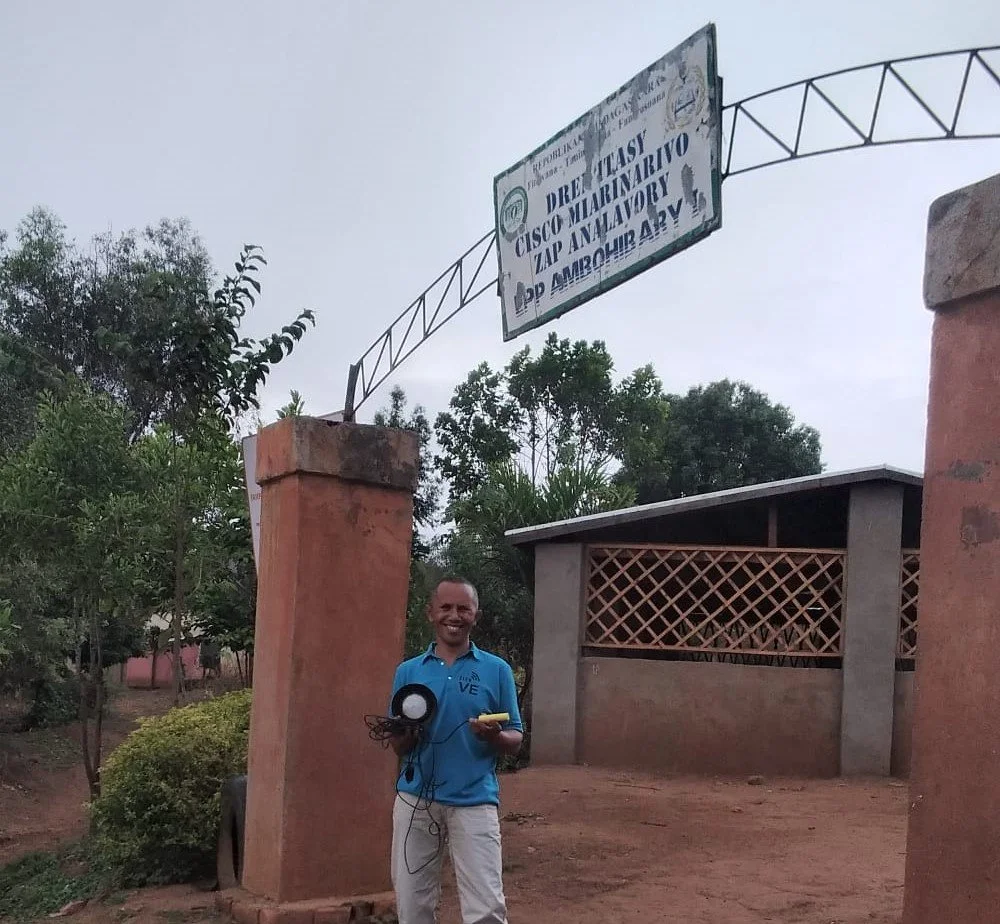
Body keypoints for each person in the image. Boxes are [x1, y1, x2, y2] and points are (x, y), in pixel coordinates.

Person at [387, 576, 523, 924]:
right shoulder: (408, 672)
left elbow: (516, 738)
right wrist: (409, 733)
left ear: (476, 615)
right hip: (415, 801)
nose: (454, 615)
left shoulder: (497, 670)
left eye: (464, 608)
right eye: (446, 607)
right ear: (430, 613)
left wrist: (493, 737)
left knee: (486, 908)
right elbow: (398, 746)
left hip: (475, 800)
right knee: (412, 903)